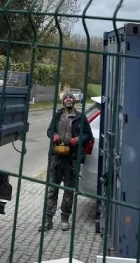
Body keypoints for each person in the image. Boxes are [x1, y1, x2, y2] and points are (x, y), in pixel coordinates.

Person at [39, 92, 93, 232]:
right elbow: (50, 130)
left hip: (72, 161)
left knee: (69, 192)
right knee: (52, 190)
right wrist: (54, 135)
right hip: (56, 160)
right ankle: (48, 220)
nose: (68, 99)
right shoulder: (58, 115)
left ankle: (65, 219)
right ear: (63, 101)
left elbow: (89, 135)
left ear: (74, 101)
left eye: (70, 98)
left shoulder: (81, 117)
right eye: (66, 98)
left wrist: (78, 139)